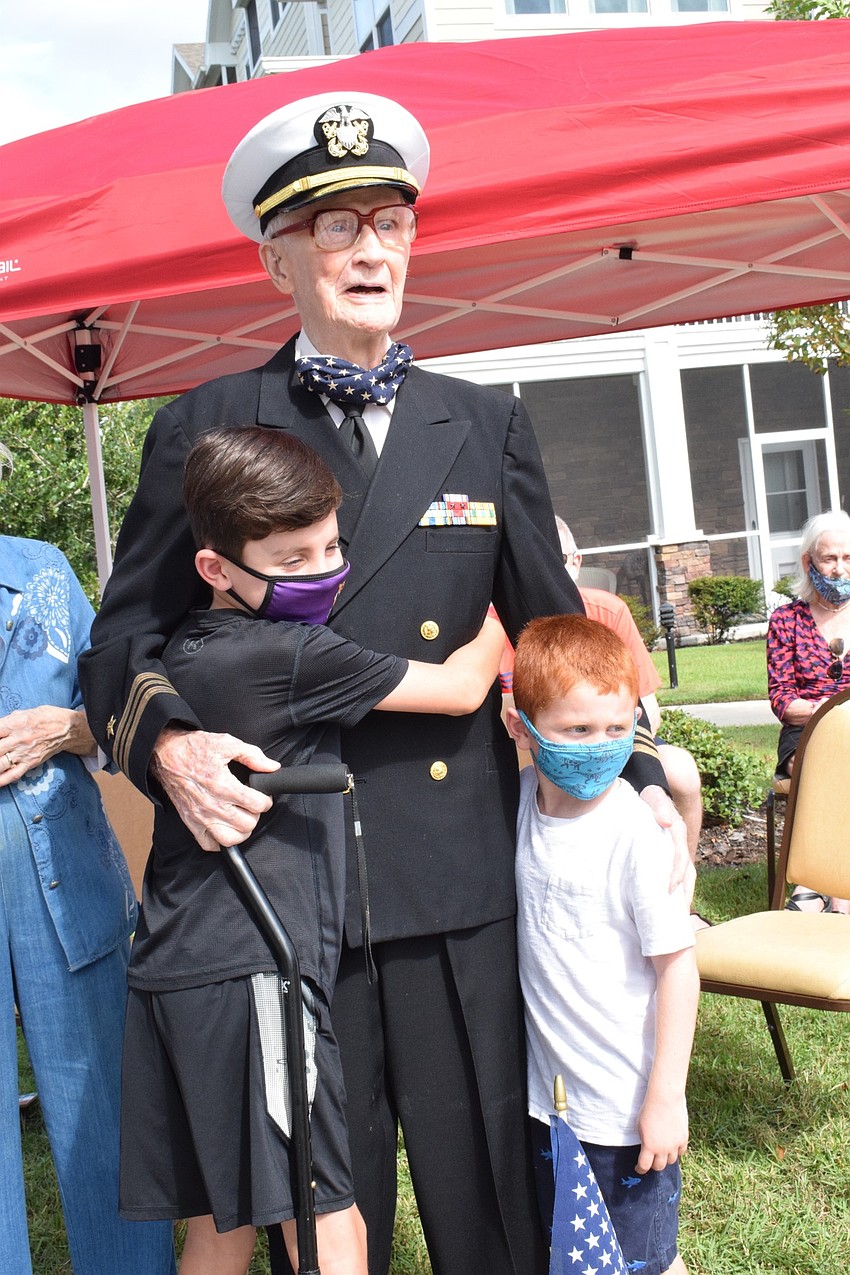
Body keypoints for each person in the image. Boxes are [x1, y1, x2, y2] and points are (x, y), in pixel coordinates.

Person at [79, 91, 688, 1275]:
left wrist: (636, 768)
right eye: (335, 227)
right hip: (284, 884)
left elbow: (556, 632)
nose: (369, 250)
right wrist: (165, 750)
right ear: (278, 258)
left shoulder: (485, 421)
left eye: (390, 223)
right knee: (323, 1201)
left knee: (489, 1204)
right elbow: (122, 642)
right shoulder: (207, 423)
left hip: (455, 877)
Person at [121, 425, 506, 1275]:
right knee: (330, 1223)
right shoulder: (289, 654)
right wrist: (496, 606)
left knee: (219, 1228)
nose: (325, 572)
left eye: (331, 547)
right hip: (256, 973)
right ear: (215, 568)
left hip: (176, 966)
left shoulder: (186, 647)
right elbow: (461, 686)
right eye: (292, 560)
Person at [0, 453, 175, 1275]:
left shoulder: (40, 570)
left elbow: (113, 717)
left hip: (64, 880)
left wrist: (58, 730)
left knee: (98, 1103)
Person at [505, 614, 699, 1275]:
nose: (599, 745)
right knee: (580, 1254)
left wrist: (666, 1098)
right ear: (522, 729)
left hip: (627, 1116)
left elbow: (679, 969)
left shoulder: (635, 835)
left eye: (617, 729)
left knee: (646, 1261)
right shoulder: (524, 801)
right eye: (577, 729)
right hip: (554, 1108)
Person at [555, 518, 704, 870]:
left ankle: (680, 889)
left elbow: (649, 708)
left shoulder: (609, 612)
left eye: (558, 558)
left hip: (616, 744)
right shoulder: (494, 621)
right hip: (539, 754)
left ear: (576, 562)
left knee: (680, 771)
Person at [767, 509, 850, 913]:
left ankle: (825, 886)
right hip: (807, 732)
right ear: (808, 562)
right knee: (827, 767)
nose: (839, 568)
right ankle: (828, 884)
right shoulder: (786, 621)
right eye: (829, 558)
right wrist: (824, 710)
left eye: (848, 558)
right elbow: (782, 699)